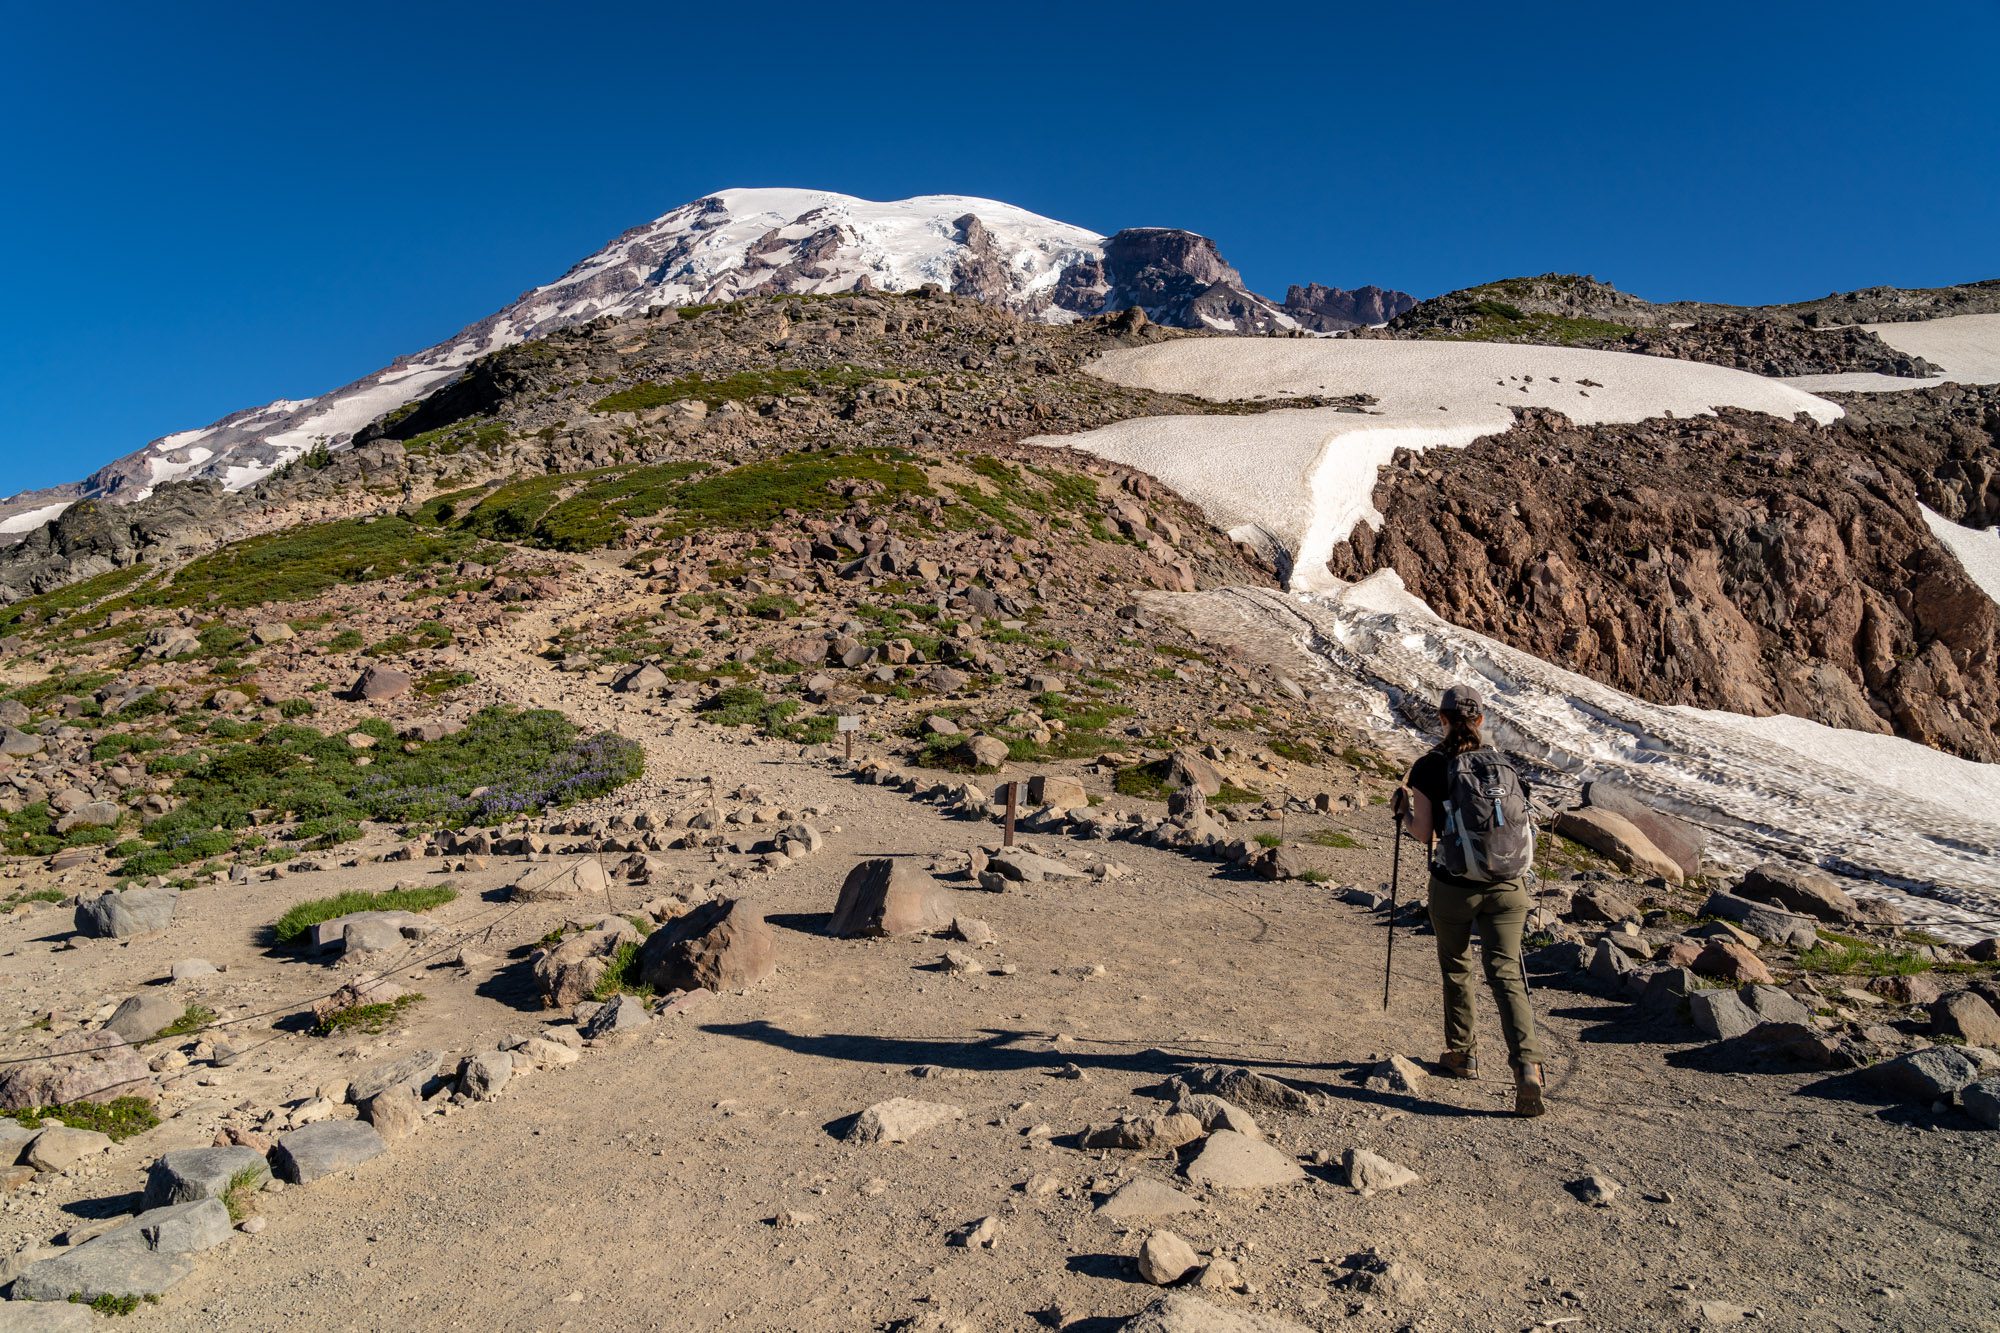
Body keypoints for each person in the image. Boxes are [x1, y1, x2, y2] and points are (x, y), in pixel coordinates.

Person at [1394, 684, 1546, 1117]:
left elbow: (1424, 833)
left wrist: (1403, 810)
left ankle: (1463, 1055)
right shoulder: (1504, 764)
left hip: (1454, 886)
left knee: (1457, 966)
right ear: (1480, 720)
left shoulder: (1429, 766)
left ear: (1441, 719)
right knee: (1507, 975)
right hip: (1508, 887)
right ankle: (1528, 1068)